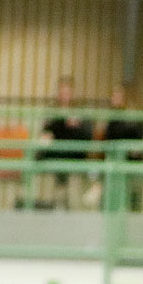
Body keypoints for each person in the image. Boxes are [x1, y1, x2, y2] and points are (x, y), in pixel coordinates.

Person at [40, 75, 94, 208]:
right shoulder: (52, 111)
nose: (64, 96)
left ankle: (83, 197)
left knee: (91, 168)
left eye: (67, 92)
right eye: (61, 92)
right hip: (55, 153)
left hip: (74, 154)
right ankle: (52, 202)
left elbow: (87, 134)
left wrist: (76, 125)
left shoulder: (80, 112)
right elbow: (47, 131)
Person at [97, 83, 143, 211]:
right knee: (109, 198)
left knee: (131, 197)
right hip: (113, 163)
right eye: (113, 96)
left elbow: (137, 141)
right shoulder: (110, 119)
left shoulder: (132, 118)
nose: (115, 100)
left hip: (129, 164)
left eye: (118, 96)